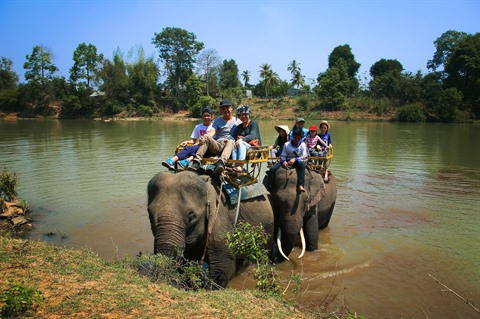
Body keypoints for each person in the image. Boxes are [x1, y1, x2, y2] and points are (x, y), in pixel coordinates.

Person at [189, 99, 241, 174]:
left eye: (227, 107)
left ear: (231, 108)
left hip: (231, 145)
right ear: (221, 110)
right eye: (223, 108)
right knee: (206, 135)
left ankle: (221, 162)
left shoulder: (238, 121)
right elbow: (212, 132)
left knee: (231, 141)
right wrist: (204, 137)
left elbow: (242, 134)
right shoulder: (217, 121)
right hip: (218, 145)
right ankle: (197, 162)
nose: (225, 110)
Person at [267, 129, 308, 193]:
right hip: (287, 160)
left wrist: (295, 159)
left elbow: (305, 157)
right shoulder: (286, 144)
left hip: (297, 161)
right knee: (272, 169)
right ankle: (269, 189)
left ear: (300, 138)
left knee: (302, 165)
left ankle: (300, 185)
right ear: (292, 137)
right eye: (295, 138)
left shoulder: (302, 145)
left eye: (298, 138)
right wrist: (283, 161)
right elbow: (283, 155)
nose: (296, 139)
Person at [229, 105, 261, 173]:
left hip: (253, 148)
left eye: (245, 114)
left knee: (241, 143)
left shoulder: (253, 123)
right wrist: (228, 139)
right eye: (241, 115)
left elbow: (253, 135)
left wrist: (242, 139)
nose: (243, 116)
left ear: (248, 114)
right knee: (234, 144)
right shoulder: (238, 127)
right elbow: (233, 136)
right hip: (242, 148)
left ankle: (240, 166)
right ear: (239, 116)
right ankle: (235, 165)